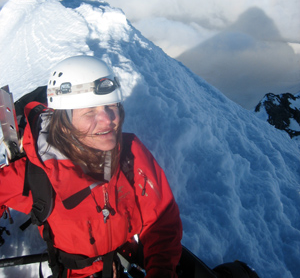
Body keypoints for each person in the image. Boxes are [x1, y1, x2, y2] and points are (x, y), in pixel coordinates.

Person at [0, 55, 182, 278]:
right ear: (63, 122)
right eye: (90, 111)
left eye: (111, 106)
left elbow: (162, 220)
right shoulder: (38, 172)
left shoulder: (131, 154)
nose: (108, 120)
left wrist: (161, 272)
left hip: (125, 257)